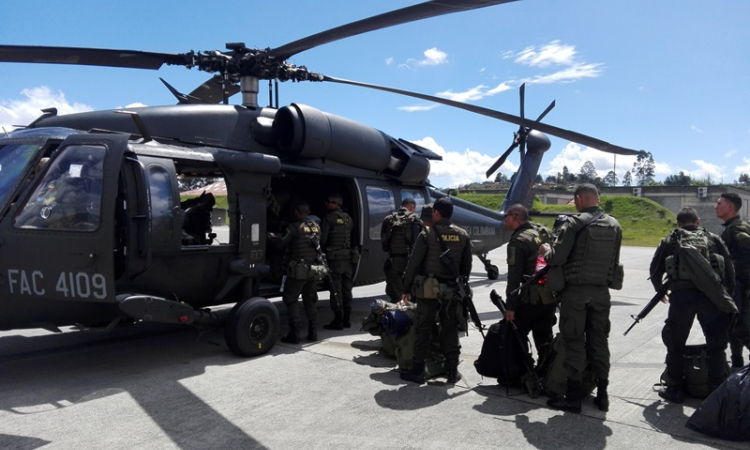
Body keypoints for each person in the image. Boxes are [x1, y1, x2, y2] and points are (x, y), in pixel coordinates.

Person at [540, 184, 622, 413]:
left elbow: (557, 258)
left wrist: (546, 250)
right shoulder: (614, 224)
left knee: (573, 341)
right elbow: (614, 261)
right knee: (599, 341)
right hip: (601, 293)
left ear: (579, 199)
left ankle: (573, 397)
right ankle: (603, 395)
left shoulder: (574, 223)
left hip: (576, 293)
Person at [650, 207, 735, 403]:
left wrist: (659, 290)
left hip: (681, 298)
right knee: (716, 344)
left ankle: (675, 389)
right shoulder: (714, 239)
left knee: (675, 343)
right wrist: (726, 297)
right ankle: (716, 390)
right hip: (711, 297)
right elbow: (729, 270)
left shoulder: (670, 240)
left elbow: (655, 269)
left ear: (679, 223)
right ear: (697, 221)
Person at [400, 197, 472, 384]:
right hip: (451, 291)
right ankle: (452, 371)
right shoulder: (463, 235)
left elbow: (413, 264)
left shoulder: (427, 234)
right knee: (449, 329)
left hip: (428, 290)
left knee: (423, 329)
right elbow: (466, 269)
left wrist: (405, 288)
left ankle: (417, 371)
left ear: (437, 213)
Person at [503, 204, 556, 365]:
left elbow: (514, 278)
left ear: (514, 217)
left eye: (506, 215)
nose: (504, 219)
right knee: (544, 337)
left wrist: (510, 307)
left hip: (530, 298)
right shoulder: (541, 232)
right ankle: (545, 373)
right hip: (549, 295)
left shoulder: (518, 241)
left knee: (516, 335)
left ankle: (523, 371)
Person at [715, 192, 750, 368]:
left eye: (719, 203)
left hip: (742, 287)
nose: (716, 206)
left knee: (741, 327)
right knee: (733, 326)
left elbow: (746, 256)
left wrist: (739, 282)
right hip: (738, 286)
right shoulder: (732, 227)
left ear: (730, 207)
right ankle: (737, 363)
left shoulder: (737, 229)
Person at [278, 201, 321, 344]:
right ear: (308, 212)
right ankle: (313, 332)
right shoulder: (316, 228)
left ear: (297, 212)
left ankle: (294, 334)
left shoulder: (294, 227)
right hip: (313, 270)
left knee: (291, 299)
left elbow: (281, 244)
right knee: (310, 299)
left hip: (298, 271)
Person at [320, 193, 356, 330]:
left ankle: (338, 320)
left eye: (329, 202)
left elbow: (322, 240)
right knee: (347, 289)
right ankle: (347, 319)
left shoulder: (329, 218)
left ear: (336, 204)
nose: (326, 204)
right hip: (347, 258)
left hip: (334, 259)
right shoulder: (348, 219)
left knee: (336, 290)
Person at [380, 198, 423, 302]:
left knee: (395, 294)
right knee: (412, 294)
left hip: (393, 261)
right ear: (412, 207)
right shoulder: (415, 219)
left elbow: (384, 245)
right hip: (410, 263)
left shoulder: (388, 219)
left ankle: (396, 315)